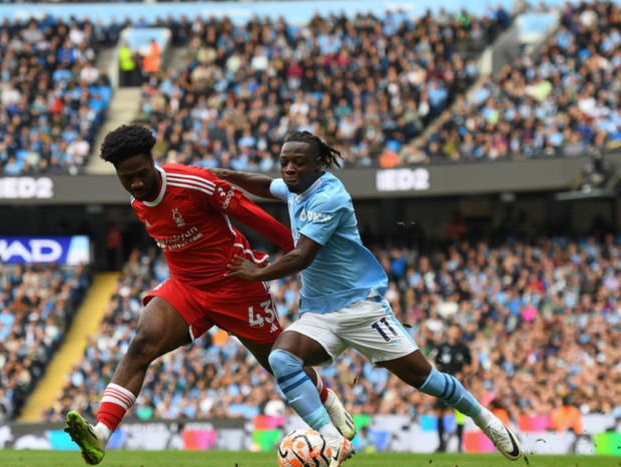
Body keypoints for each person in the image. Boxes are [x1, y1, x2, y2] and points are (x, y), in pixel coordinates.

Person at [212, 130, 523, 466]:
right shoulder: (295, 188)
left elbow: (301, 257)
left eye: (298, 163)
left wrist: (256, 272)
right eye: (284, 162)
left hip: (362, 309)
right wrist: (223, 176)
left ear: (319, 165)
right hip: (319, 313)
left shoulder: (328, 197)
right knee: (281, 359)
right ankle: (331, 440)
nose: (288, 169)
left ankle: (483, 418)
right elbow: (263, 185)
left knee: (426, 379)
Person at [63, 124, 354, 465]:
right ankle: (100, 434)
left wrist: (302, 250)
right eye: (127, 178)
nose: (137, 184)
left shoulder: (192, 183)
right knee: (142, 343)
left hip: (236, 285)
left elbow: (251, 214)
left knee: (279, 363)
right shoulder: (138, 201)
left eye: (142, 174)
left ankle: (329, 403)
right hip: (186, 288)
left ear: (153, 161)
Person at [432, 327, 472, 453]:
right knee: (439, 413)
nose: (455, 333)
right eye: (453, 331)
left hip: (459, 387)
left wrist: (463, 374)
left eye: (457, 332)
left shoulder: (464, 349)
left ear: (460, 334)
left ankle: (460, 445)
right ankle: (441, 444)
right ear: (449, 332)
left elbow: (469, 366)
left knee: (459, 415)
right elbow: (437, 366)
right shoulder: (441, 348)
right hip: (443, 386)